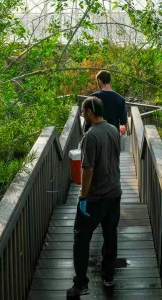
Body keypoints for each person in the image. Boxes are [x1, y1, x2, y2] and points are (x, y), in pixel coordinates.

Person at [67, 96, 122, 298]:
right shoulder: (113, 130)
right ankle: (108, 276)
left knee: (81, 238)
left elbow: (87, 169)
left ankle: (81, 283)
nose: (82, 114)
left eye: (83, 111)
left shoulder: (90, 137)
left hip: (95, 198)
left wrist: (83, 198)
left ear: (90, 111)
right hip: (115, 193)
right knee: (110, 235)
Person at [85, 70, 127, 136]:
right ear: (109, 81)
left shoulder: (93, 97)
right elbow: (123, 122)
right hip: (113, 134)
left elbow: (88, 116)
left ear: (99, 80)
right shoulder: (120, 99)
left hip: (96, 134)